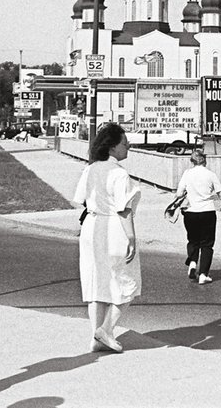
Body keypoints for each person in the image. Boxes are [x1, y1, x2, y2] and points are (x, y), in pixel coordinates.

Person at [72, 123, 141, 353]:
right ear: (112, 147)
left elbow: (80, 198)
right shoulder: (119, 174)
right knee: (127, 282)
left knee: (96, 284)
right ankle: (107, 329)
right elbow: (123, 210)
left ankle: (96, 336)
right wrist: (131, 237)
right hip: (113, 228)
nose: (128, 146)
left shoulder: (90, 169)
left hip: (92, 227)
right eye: (124, 143)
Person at [176, 149, 221, 285]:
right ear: (205, 160)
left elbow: (179, 193)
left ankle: (193, 262)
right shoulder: (210, 174)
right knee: (207, 244)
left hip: (190, 212)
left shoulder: (187, 174)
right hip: (207, 212)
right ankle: (203, 274)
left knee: (193, 240)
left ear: (192, 161)